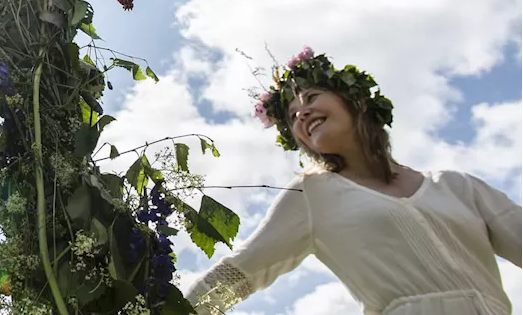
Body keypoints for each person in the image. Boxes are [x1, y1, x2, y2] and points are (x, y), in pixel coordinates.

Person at [185, 47, 523, 314]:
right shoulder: (313, 194)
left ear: (357, 102)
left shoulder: (457, 186)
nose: (301, 113)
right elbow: (238, 273)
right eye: (291, 116)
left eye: (311, 97)